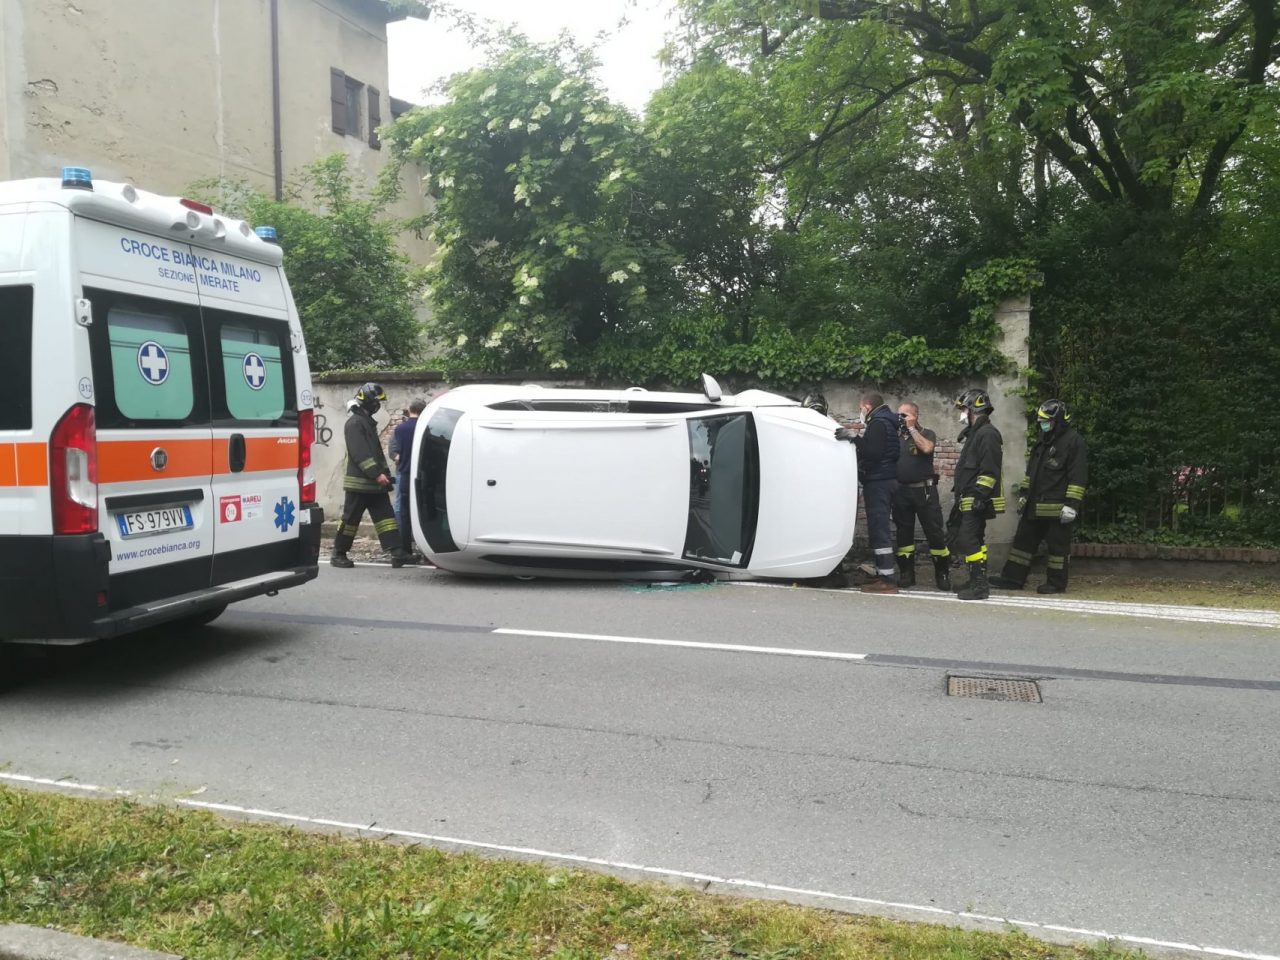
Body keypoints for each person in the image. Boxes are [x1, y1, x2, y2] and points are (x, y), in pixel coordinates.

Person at [990, 399, 1088, 594]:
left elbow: (1078, 475)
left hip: (1057, 508)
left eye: (1047, 420)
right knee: (1022, 544)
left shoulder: (1073, 441)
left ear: (1058, 420)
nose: (1043, 424)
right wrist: (1025, 495)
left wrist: (1072, 505)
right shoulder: (1043, 440)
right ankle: (1012, 579)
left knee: (1057, 549)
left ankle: (1056, 583)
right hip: (1034, 505)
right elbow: (1032, 472)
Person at [330, 382, 419, 569]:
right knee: (350, 520)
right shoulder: (355, 423)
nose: (378, 405)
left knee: (386, 518)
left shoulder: (365, 422)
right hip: (360, 483)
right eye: (376, 401)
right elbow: (360, 452)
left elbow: (375, 453)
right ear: (367, 401)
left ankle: (397, 553)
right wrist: (377, 473)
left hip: (374, 484)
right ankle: (338, 554)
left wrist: (382, 475)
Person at [835, 393, 901, 593]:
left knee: (880, 530)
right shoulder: (886, 422)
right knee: (877, 528)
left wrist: (855, 439)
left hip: (879, 482)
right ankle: (883, 574)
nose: (860, 411)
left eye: (861, 407)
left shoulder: (879, 424)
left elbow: (873, 453)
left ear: (867, 406)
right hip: (883, 479)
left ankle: (887, 580)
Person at [947, 389, 1004, 600]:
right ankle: (975, 579)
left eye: (963, 409)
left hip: (977, 498)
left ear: (973, 409)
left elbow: (990, 470)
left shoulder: (987, 434)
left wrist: (980, 496)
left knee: (968, 539)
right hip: (969, 498)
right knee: (975, 540)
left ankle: (980, 585)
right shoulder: (976, 433)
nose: (961, 414)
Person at [891, 402, 950, 589]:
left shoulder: (926, 433)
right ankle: (907, 574)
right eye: (899, 415)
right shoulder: (894, 436)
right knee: (903, 535)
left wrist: (912, 429)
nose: (901, 418)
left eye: (905, 415)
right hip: (901, 492)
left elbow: (927, 449)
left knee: (935, 534)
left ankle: (942, 574)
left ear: (916, 416)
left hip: (924, 491)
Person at [392, 397, 427, 556]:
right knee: (423, 511)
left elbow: (397, 452)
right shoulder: (425, 427)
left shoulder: (400, 429)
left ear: (410, 409)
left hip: (405, 473)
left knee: (404, 513)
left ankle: (405, 549)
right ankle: (426, 550)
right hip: (422, 476)